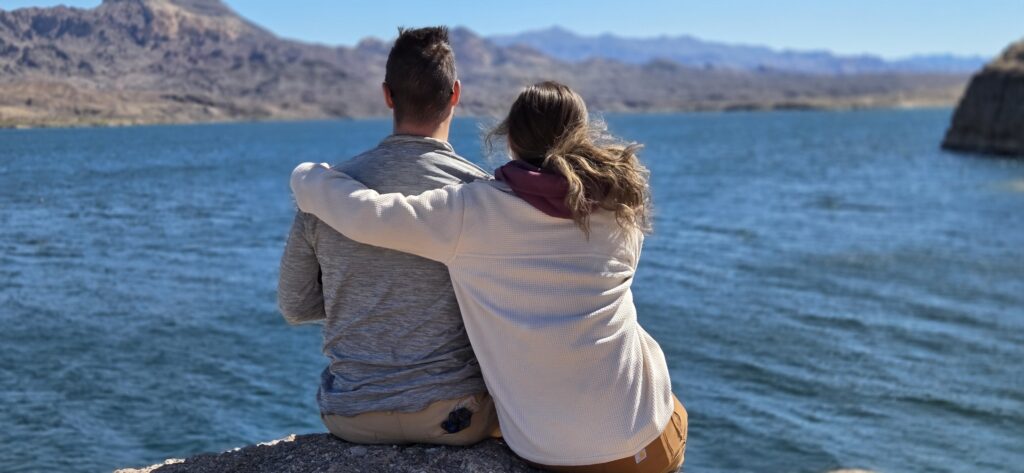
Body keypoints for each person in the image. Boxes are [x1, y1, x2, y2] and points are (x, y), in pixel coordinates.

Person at [290, 81, 687, 473]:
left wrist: (308, 177)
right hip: (643, 442)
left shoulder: (472, 212)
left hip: (543, 450)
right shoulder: (618, 209)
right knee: (671, 405)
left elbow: (368, 214)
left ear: (510, 138)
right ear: (581, 135)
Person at [276, 26, 499, 446]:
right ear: (454, 94)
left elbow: (295, 305)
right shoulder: (482, 193)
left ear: (387, 95)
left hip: (350, 417)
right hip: (457, 417)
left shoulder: (328, 192)